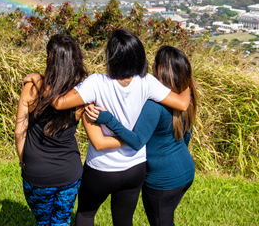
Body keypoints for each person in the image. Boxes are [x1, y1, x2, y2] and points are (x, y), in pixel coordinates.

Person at [50, 29, 192, 226]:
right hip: (135, 168)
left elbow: (58, 103)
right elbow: (182, 104)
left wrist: (38, 81)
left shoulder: (96, 83)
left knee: (86, 214)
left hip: (102, 168)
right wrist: (187, 83)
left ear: (111, 57)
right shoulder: (147, 82)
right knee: (124, 220)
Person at [85, 45, 198, 226]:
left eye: (154, 63)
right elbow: (187, 134)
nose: (151, 66)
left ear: (160, 70)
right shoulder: (185, 98)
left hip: (162, 181)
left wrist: (108, 119)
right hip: (186, 170)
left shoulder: (154, 106)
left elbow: (137, 141)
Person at [15, 34, 88, 226]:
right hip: (69, 172)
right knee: (61, 221)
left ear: (49, 58)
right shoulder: (80, 94)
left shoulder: (32, 88)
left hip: (37, 172)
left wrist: (23, 160)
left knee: (43, 221)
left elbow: (19, 132)